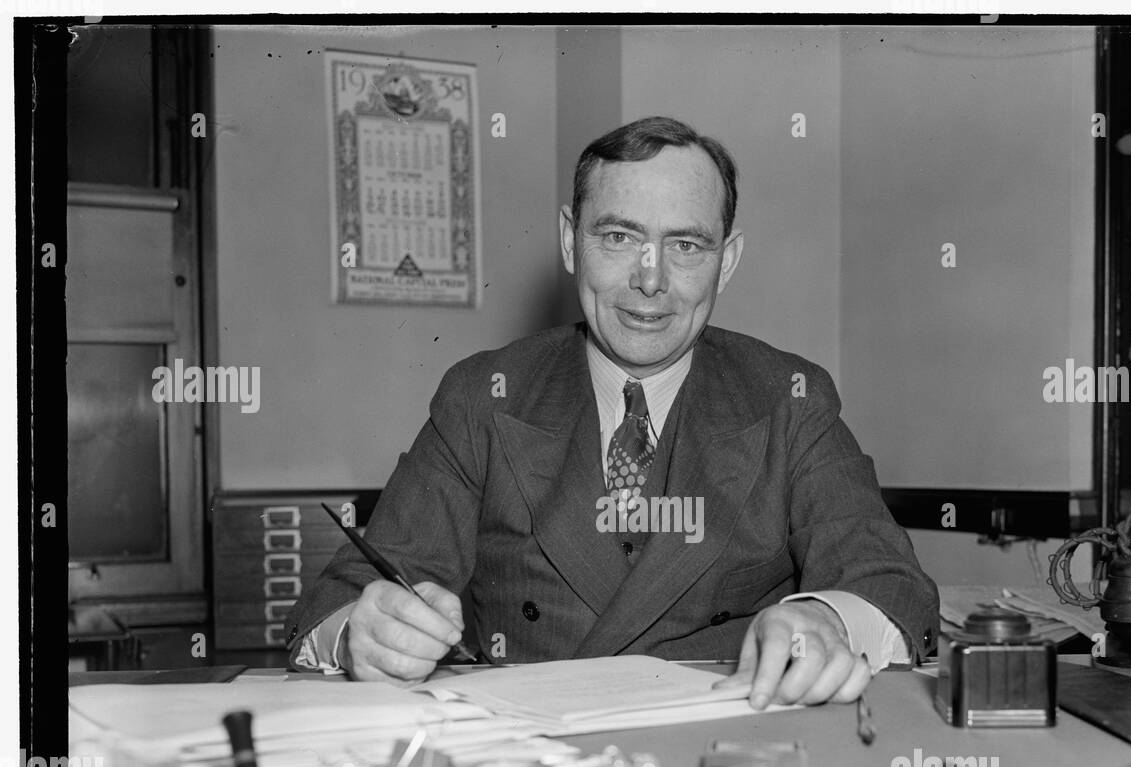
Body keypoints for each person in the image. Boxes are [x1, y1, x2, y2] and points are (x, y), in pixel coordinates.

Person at [287, 116, 939, 709]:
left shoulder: (789, 397)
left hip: (725, 752)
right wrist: (362, 632)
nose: (650, 279)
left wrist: (828, 617)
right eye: (620, 236)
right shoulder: (484, 395)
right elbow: (338, 595)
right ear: (572, 242)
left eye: (686, 245)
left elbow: (888, 580)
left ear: (727, 261)